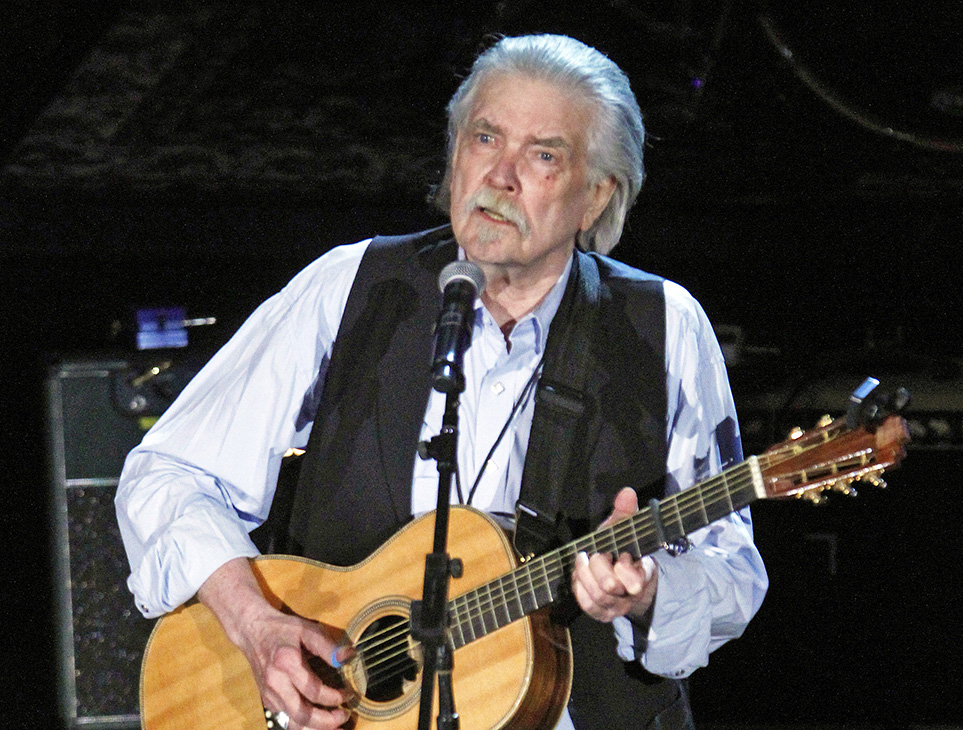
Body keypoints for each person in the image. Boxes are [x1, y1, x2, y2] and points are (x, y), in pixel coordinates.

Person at [117, 33, 767, 730]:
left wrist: (645, 595)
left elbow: (729, 572)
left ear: (596, 195)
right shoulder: (355, 287)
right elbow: (167, 474)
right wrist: (255, 626)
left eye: (543, 154)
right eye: (485, 138)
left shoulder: (662, 326)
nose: (501, 175)